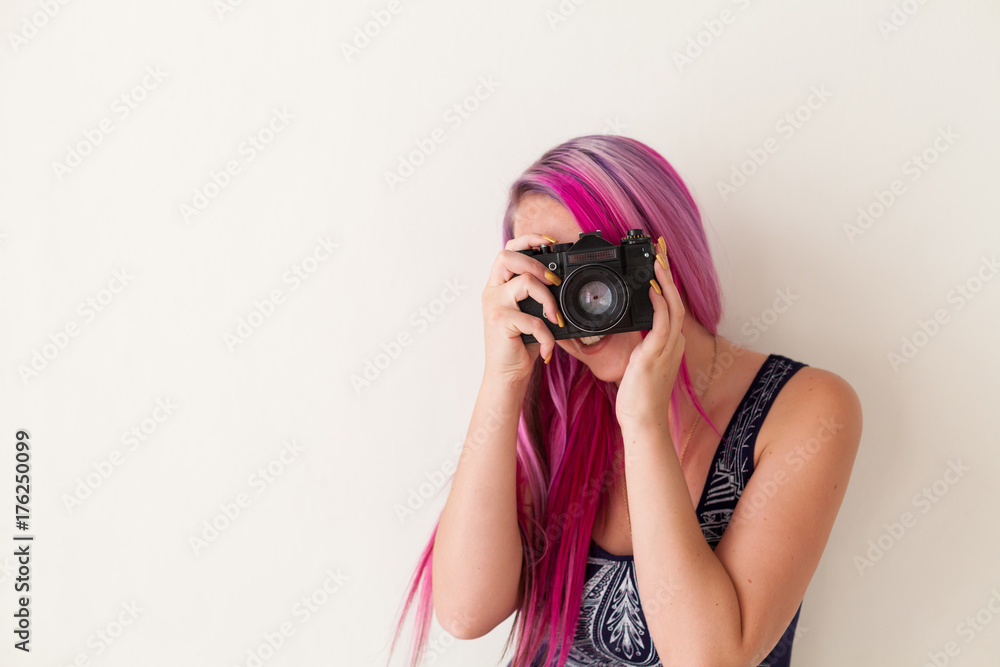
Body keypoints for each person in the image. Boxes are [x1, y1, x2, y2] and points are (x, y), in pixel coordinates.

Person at [386, 135, 862, 666]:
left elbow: (709, 659)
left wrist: (643, 422)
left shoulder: (806, 408)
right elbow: (465, 613)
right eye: (551, 271)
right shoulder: (556, 401)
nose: (581, 299)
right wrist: (503, 379)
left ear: (660, 251)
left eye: (595, 264)